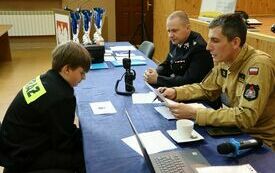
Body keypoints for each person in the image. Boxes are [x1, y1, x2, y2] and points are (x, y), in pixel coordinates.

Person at [159, 13, 275, 150]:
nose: (208, 47)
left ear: (235, 42)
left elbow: (246, 116)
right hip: (234, 131)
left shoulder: (258, 66)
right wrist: (175, 92)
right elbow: (206, 89)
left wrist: (194, 113)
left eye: (215, 40)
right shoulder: (224, 59)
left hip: (260, 142)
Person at [0, 41, 91, 172]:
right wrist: (86, 139)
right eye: (81, 73)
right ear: (67, 69)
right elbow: (64, 143)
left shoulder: (48, 78)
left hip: (13, 146)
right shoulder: (61, 96)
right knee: (83, 157)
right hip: (22, 157)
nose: (84, 78)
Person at [144, 10, 213, 87]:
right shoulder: (176, 40)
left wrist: (158, 79)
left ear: (188, 28)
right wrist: (156, 72)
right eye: (168, 31)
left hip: (193, 92)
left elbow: (189, 81)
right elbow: (168, 63)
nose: (170, 35)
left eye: (174, 30)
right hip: (178, 86)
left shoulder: (199, 47)